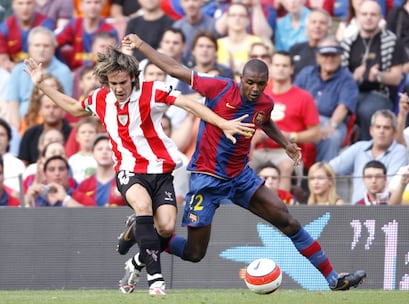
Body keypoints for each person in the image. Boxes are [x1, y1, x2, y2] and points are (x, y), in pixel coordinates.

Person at [118, 32, 367, 294]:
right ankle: (140, 233)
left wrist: (286, 143)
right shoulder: (218, 87)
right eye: (250, 83)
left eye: (261, 84)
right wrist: (142, 44)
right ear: (241, 80)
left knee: (288, 221)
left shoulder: (265, 102)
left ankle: (333, 279)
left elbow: (265, 119)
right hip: (207, 179)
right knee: (194, 253)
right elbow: (176, 69)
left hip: (241, 177)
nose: (255, 89)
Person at [23, 46, 254, 295]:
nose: (119, 88)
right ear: (106, 81)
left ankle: (136, 260)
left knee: (165, 228)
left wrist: (222, 123)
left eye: (123, 82)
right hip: (128, 170)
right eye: (113, 83)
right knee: (143, 208)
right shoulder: (101, 99)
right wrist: (41, 84)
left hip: (160, 171)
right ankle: (156, 280)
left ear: (133, 77)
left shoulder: (152, 91)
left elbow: (188, 104)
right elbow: (73, 107)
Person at [249, 51, 320, 192]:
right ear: (270, 67)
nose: (280, 69)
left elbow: (316, 133)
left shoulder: (304, 97)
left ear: (292, 69)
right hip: (259, 150)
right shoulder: (258, 94)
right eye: (277, 65)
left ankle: (282, 207)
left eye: (285, 65)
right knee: (241, 166)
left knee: (286, 166)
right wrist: (254, 135)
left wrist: (290, 136)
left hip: (286, 152)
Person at [340, 0, 406, 140]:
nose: (368, 18)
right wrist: (353, 78)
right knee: (334, 107)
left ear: (381, 17)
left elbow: (397, 77)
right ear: (357, 16)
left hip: (379, 93)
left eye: (373, 14)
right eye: (364, 14)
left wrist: (379, 76)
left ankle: (367, 152)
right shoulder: (348, 42)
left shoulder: (392, 41)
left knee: (366, 111)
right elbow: (340, 78)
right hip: (352, 92)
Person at [294, 36, 358, 162]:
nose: (329, 59)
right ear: (317, 57)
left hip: (331, 121)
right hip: (304, 120)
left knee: (330, 138)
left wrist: (331, 125)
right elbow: (294, 96)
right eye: (325, 55)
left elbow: (343, 107)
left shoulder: (347, 78)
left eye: (333, 55)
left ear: (340, 57)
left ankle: (324, 176)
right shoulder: (306, 73)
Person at [329, 109, 409, 204]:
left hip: (384, 212)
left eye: (386, 128)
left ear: (394, 132)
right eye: (378, 127)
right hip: (356, 211)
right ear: (371, 130)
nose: (381, 131)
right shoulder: (359, 147)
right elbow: (329, 169)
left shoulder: (399, 152)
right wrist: (336, 200)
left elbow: (391, 188)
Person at [6, 26, 73, 130]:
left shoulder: (64, 71)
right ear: (29, 47)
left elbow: (66, 104)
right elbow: (13, 103)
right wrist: (17, 129)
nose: (41, 49)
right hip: (23, 125)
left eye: (46, 46)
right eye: (37, 45)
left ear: (54, 47)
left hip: (53, 125)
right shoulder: (18, 70)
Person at [18, 83, 71, 166]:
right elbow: (23, 163)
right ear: (40, 110)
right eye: (47, 107)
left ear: (63, 109)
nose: (51, 111)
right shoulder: (30, 134)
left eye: (55, 107)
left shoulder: (72, 133)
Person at [55, 0, 119, 70]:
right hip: (75, 73)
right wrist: (62, 67)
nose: (93, 6)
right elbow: (54, 43)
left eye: (96, 2)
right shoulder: (74, 24)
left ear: (102, 5)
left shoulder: (109, 30)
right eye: (88, 2)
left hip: (100, 72)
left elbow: (115, 57)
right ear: (80, 6)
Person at [73, 133, 126, 207]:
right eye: (99, 149)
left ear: (116, 153)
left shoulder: (124, 182)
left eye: (109, 149)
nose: (104, 152)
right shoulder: (84, 185)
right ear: (93, 154)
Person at [0, 0, 55, 71]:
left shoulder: (46, 24)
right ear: (13, 5)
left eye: (29, 3)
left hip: (44, 69)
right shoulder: (4, 28)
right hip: (13, 72)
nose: (25, 7)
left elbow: (44, 59)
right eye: (20, 3)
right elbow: (4, 62)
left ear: (35, 4)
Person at [289, 7, 331, 76]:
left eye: (322, 23)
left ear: (328, 28)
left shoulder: (332, 53)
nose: (317, 26)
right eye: (313, 22)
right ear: (307, 27)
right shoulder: (295, 49)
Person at [67, 117, 99, 184]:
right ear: (77, 137)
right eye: (83, 132)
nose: (87, 135)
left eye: (91, 132)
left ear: (97, 135)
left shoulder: (101, 158)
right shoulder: (72, 160)